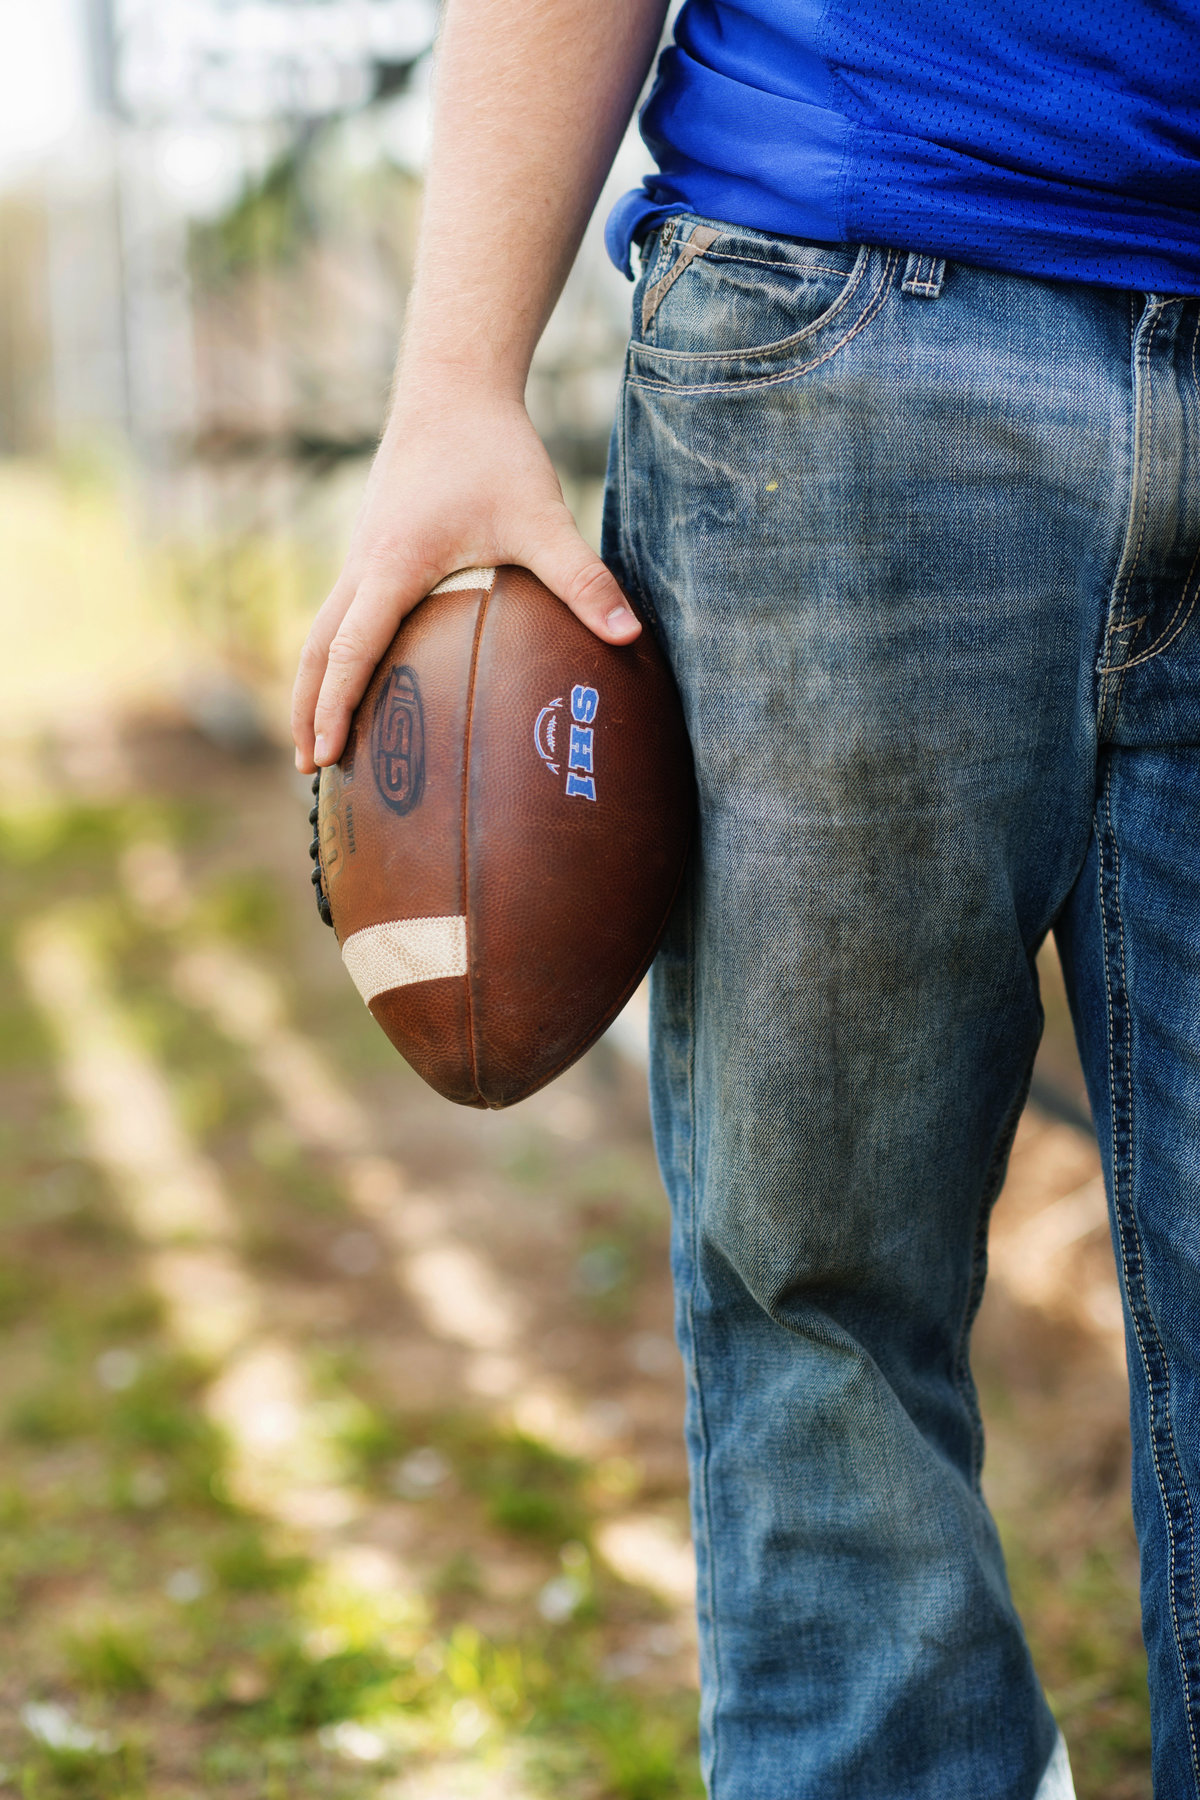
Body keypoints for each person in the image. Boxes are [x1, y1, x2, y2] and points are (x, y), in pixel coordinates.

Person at [292, 3, 1200, 1793]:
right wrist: (455, 380)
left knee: (820, 1299)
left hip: (860, 330)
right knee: (823, 1284)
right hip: (864, 292)